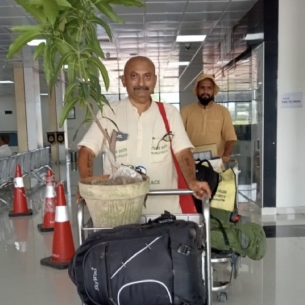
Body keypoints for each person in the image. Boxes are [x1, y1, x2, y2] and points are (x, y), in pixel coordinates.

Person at [77, 56, 212, 215]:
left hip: (167, 213)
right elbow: (87, 150)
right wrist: (87, 183)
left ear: (154, 81)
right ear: (124, 80)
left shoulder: (169, 114)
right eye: (134, 76)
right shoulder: (108, 113)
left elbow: (182, 152)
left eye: (147, 76)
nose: (141, 83)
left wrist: (192, 181)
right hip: (121, 214)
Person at [181, 73, 237, 163]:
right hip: (192, 163)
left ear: (213, 91)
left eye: (209, 88)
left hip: (216, 163)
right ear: (197, 90)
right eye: (202, 88)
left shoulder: (223, 112)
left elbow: (230, 138)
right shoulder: (186, 111)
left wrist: (226, 155)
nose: (205, 91)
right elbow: (178, 137)